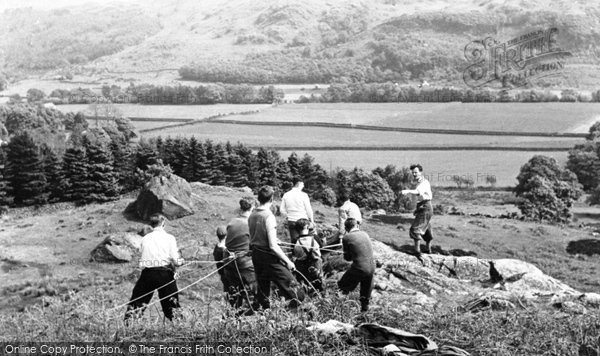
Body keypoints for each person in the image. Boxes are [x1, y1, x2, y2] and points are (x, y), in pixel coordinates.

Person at [249, 185, 304, 310]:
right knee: (297, 292)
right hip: (268, 257)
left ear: (259, 198)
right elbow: (273, 246)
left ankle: (264, 315)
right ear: (272, 199)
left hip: (256, 255)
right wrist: (288, 262)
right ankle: (289, 313)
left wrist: (273, 240)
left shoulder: (252, 214)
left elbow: (255, 235)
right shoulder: (269, 216)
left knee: (263, 289)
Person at [125, 213, 184, 321]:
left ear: (152, 225)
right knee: (172, 304)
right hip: (165, 274)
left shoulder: (145, 238)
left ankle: (129, 325)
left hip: (148, 273)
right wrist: (181, 262)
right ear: (163, 224)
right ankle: (180, 325)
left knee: (137, 303)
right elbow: (176, 261)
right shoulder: (169, 238)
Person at [224, 197, 257, 309]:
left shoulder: (232, 222)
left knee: (235, 293)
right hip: (244, 263)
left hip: (228, 261)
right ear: (252, 208)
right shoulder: (250, 224)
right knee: (254, 289)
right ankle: (255, 310)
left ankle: (233, 316)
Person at [337, 218, 375, 313]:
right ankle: (364, 311)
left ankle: (339, 309)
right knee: (366, 291)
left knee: (342, 286)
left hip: (360, 267)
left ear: (346, 228)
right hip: (371, 267)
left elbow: (348, 258)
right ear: (356, 225)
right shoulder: (365, 234)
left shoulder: (347, 238)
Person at [401, 164, 434, 256]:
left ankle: (417, 251)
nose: (414, 174)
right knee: (426, 228)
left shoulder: (424, 183)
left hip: (426, 206)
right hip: (423, 206)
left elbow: (418, 192)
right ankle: (428, 249)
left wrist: (407, 191)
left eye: (416, 172)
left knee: (415, 229)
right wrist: (417, 209)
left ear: (421, 172)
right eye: (413, 173)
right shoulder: (419, 182)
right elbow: (420, 197)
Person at [292, 218, 323, 295]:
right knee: (318, 282)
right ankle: (318, 295)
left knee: (303, 282)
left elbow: (294, 254)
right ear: (307, 227)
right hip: (315, 263)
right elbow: (321, 248)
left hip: (301, 265)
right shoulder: (315, 237)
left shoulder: (294, 241)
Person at [281, 178, 314, 244]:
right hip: (303, 221)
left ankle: (293, 254)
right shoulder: (304, 195)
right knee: (305, 242)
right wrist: (312, 221)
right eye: (303, 184)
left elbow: (282, 210)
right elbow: (309, 210)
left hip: (291, 221)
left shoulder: (286, 194)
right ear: (299, 184)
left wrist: (288, 216)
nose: (303, 186)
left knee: (294, 242)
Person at [213, 225, 231, 294]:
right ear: (226, 236)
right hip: (228, 276)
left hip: (222, 275)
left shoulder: (216, 247)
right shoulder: (225, 250)